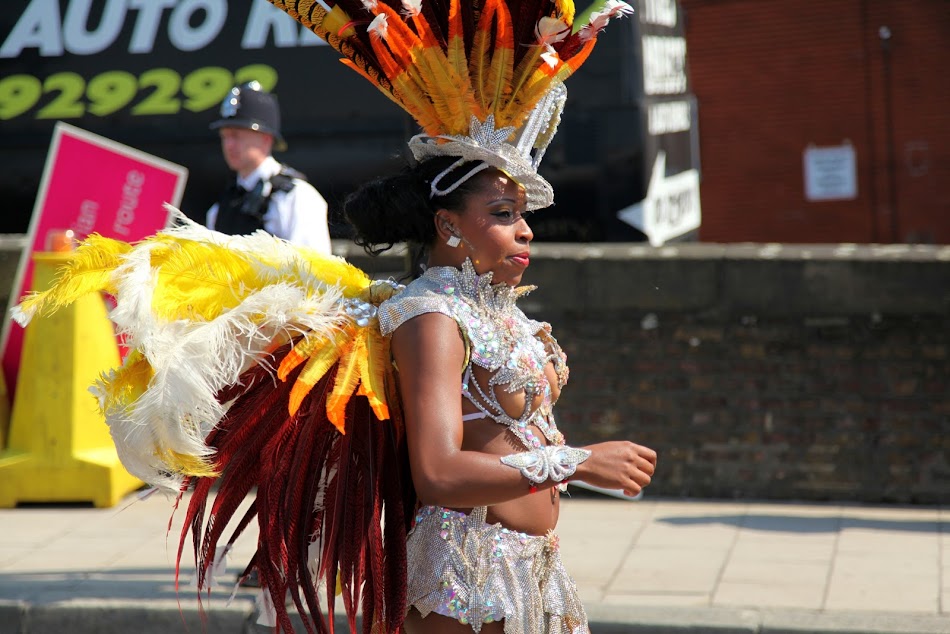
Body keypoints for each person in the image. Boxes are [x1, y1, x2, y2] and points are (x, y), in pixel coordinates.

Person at [12, 1, 655, 633]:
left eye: (524, 215)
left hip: (533, 575)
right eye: (503, 215)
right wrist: (576, 462)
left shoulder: (500, 312)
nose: (524, 235)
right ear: (448, 226)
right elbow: (436, 473)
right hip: (465, 585)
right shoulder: (429, 314)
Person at [206, 80, 332, 253]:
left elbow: (313, 273)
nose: (229, 145)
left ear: (266, 139)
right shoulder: (221, 206)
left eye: (236, 135)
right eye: (224, 136)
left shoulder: (297, 197)